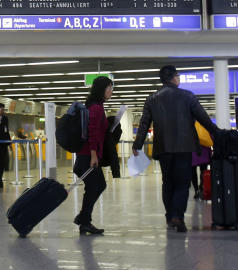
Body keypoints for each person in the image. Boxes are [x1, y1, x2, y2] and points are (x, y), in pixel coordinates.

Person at [133, 66, 218, 233]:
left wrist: (137, 144)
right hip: (184, 147)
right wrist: (217, 133)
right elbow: (203, 118)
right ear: (173, 78)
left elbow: (144, 124)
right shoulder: (188, 96)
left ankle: (170, 216)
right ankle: (178, 217)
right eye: (178, 76)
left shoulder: (152, 99)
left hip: (163, 147)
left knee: (168, 182)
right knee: (182, 183)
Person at [73, 76, 113, 235]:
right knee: (96, 186)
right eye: (109, 88)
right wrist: (93, 155)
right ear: (101, 89)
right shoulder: (95, 108)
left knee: (95, 186)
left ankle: (84, 221)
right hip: (87, 156)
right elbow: (92, 133)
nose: (111, 91)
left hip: (88, 154)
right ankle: (84, 220)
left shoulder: (96, 106)